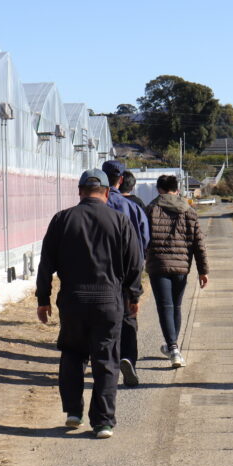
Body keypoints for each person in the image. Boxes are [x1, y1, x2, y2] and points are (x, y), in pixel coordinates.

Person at [36, 168, 144, 439]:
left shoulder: (62, 219)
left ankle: (74, 412)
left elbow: (46, 263)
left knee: (72, 353)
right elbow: (134, 264)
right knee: (106, 359)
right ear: (107, 192)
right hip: (109, 301)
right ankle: (103, 422)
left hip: (73, 301)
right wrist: (134, 296)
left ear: (80, 192)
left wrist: (43, 299)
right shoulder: (120, 221)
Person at [145, 174, 209, 368]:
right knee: (176, 306)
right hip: (182, 266)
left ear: (159, 189)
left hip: (158, 265)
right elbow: (198, 242)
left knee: (165, 306)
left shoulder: (150, 209)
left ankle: (173, 348)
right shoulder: (188, 210)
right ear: (177, 189)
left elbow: (142, 237)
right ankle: (173, 346)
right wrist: (203, 270)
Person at [100, 160, 150, 387]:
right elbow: (144, 240)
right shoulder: (133, 208)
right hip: (129, 269)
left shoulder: (96, 205)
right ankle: (128, 358)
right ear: (121, 180)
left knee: (103, 318)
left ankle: (107, 361)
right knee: (129, 316)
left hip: (100, 271)